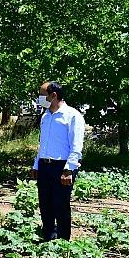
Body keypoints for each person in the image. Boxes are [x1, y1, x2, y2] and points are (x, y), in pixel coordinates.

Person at [31, 81, 85, 242]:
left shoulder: (72, 116)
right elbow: (44, 143)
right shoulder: (46, 116)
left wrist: (68, 170)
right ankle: (48, 237)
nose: (40, 99)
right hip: (44, 165)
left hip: (62, 167)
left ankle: (63, 242)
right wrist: (36, 164)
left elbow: (76, 146)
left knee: (60, 206)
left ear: (53, 95)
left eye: (42, 95)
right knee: (45, 204)